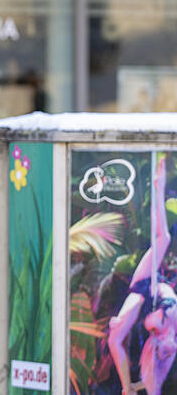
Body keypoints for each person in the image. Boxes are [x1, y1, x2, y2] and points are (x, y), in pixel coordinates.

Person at [109, 157, 177, 395]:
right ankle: (158, 186)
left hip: (143, 291)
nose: (171, 349)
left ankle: (128, 388)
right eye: (170, 351)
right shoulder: (171, 335)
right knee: (165, 239)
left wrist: (120, 319)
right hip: (154, 285)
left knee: (114, 340)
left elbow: (148, 322)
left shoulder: (158, 328)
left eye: (165, 352)